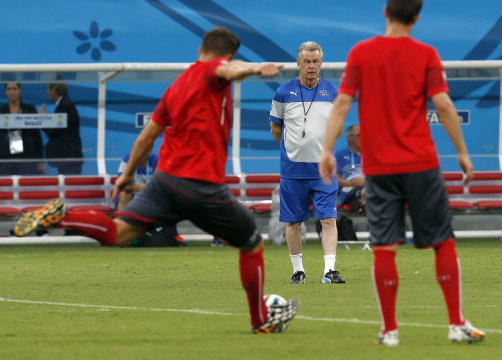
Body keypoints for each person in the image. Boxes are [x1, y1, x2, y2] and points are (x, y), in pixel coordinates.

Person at [14, 27, 299, 334]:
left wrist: (125, 176)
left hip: (165, 182)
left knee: (119, 234)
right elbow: (228, 69)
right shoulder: (212, 71)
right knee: (251, 244)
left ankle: (63, 216)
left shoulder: (176, 87)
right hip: (201, 186)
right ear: (225, 54)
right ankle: (260, 320)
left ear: (199, 50)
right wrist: (255, 67)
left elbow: (146, 137)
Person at [318, 0, 485, 345]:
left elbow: (343, 104)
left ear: (385, 12)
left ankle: (390, 331)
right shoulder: (426, 54)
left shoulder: (362, 52)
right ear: (417, 18)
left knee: (384, 247)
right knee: (442, 242)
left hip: (379, 170)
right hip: (422, 165)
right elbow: (443, 104)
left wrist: (326, 150)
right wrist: (463, 153)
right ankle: (456, 324)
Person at [270, 41, 345, 285]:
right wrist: (294, 149)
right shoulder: (283, 92)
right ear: (298, 63)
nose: (312, 66)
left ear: (320, 63)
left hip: (323, 170)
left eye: (316, 62)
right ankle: (298, 271)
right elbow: (275, 128)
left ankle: (329, 271)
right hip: (292, 170)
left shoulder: (333, 91)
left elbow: (338, 127)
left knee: (329, 219)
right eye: (307, 62)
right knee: (293, 222)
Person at [0, 83, 46, 175]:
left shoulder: (29, 108)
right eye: (9, 89)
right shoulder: (2, 110)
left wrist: (41, 161)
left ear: (20, 91)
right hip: (7, 157)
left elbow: (36, 135)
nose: (12, 91)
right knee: (7, 187)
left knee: (26, 186)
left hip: (27, 155)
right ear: (6, 92)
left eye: (15, 89)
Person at [39, 80, 83, 174]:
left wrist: (42, 119)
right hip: (68, 159)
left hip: (69, 159)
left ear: (54, 90)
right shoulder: (65, 104)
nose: (47, 92)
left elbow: (54, 131)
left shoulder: (64, 105)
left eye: (48, 89)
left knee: (69, 186)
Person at [335, 125, 365, 212]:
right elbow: (333, 180)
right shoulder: (339, 155)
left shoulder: (369, 155)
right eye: (360, 135)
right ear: (350, 137)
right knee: (369, 192)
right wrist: (351, 183)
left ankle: (364, 204)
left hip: (368, 186)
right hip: (350, 192)